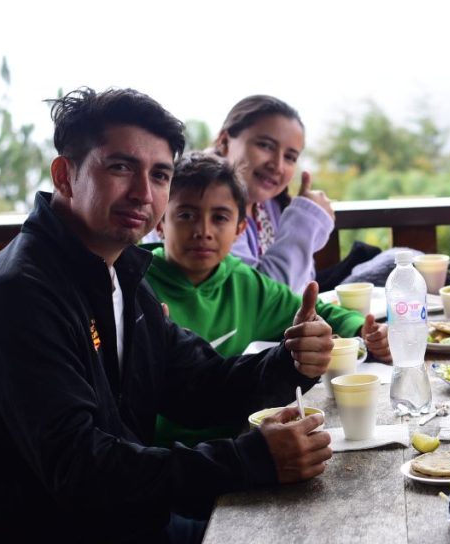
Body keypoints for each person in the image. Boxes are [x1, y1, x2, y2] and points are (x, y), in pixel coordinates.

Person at [0, 87, 335, 544]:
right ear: (66, 175)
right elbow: (82, 468)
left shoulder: (120, 273)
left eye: (159, 175)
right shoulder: (22, 296)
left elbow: (196, 381)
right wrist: (255, 458)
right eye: (120, 167)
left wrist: (287, 363)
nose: (142, 192)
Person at [145, 151, 392, 446]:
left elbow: (319, 313)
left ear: (239, 229)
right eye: (186, 215)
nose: (203, 231)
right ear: (160, 223)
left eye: (220, 217)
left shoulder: (246, 283)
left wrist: (365, 331)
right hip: (162, 455)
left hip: (241, 439)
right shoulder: (138, 285)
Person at [214, 94, 336, 291]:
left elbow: (303, 286)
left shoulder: (271, 206)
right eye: (265, 145)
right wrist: (307, 219)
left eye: (290, 157)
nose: (277, 166)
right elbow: (261, 300)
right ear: (224, 141)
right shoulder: (204, 207)